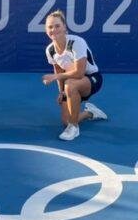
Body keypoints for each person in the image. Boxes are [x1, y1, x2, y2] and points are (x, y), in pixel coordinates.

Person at [41, 10, 107, 141]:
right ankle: (90, 113)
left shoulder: (77, 42)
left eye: (57, 26)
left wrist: (55, 78)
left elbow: (79, 72)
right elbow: (59, 70)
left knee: (70, 84)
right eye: (50, 27)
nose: (54, 29)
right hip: (70, 84)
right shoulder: (50, 50)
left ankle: (74, 128)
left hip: (92, 79)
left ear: (65, 27)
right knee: (66, 120)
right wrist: (61, 92)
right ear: (46, 31)